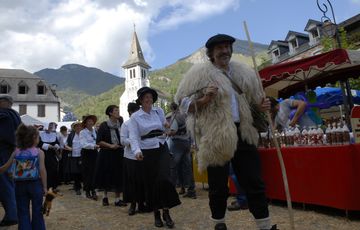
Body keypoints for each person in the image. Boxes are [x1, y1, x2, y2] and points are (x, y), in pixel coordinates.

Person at [175, 34, 277, 230]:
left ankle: (265, 226)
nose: (225, 51)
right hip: (215, 136)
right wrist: (204, 100)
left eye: (227, 47)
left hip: (244, 133)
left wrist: (262, 105)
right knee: (218, 187)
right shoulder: (199, 74)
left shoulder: (243, 73)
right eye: (220, 48)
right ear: (211, 53)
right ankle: (219, 224)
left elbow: (256, 101)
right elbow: (182, 103)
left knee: (254, 182)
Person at [129, 87, 181, 228]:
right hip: (147, 150)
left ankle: (166, 212)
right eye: (146, 97)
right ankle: (156, 213)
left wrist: (167, 128)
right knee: (152, 183)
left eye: (151, 97)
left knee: (164, 179)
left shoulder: (159, 111)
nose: (149, 99)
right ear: (140, 100)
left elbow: (165, 126)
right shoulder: (135, 117)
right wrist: (137, 151)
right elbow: (133, 136)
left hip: (161, 146)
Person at [4, 124, 47, 230]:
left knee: (23, 212)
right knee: (37, 211)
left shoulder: (16, 151)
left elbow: (6, 167)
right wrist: (45, 187)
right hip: (35, 184)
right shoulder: (39, 152)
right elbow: (42, 170)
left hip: (19, 185)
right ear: (33, 138)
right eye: (38, 136)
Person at [94, 105, 126, 207]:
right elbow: (99, 141)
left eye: (118, 110)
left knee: (118, 176)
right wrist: (110, 145)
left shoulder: (120, 124)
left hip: (118, 153)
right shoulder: (104, 125)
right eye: (116, 110)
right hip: (106, 154)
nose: (118, 112)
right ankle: (105, 197)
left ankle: (117, 199)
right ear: (110, 113)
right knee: (106, 175)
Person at [121, 102, 147, 215]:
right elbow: (123, 141)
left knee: (142, 180)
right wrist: (134, 141)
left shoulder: (143, 123)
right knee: (132, 181)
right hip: (130, 157)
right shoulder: (126, 125)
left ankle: (141, 204)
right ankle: (133, 204)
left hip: (142, 156)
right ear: (131, 113)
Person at [168, 102, 196, 199]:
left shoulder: (175, 117)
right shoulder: (186, 115)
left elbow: (173, 131)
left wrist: (167, 132)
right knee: (188, 167)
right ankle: (191, 190)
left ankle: (171, 191)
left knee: (173, 167)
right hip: (186, 142)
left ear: (172, 108)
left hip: (177, 143)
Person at [0, 95, 21, 226]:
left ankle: (12, 216)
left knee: (5, 185)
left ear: (5, 102)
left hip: (3, 153)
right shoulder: (15, 115)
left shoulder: (3, 114)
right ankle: (12, 213)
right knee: (10, 183)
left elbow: (4, 135)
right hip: (12, 151)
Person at [80, 115, 99, 200]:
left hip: (94, 153)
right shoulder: (83, 132)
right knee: (87, 172)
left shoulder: (94, 131)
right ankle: (88, 190)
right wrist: (93, 146)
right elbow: (83, 144)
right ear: (86, 123)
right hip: (87, 153)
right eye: (89, 121)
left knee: (94, 172)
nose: (91, 122)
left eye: (92, 121)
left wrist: (97, 146)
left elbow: (97, 140)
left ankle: (93, 190)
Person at [38, 122, 61, 191]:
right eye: (49, 125)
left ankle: (53, 186)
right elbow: (39, 144)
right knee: (45, 170)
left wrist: (56, 146)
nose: (50, 127)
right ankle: (46, 187)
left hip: (52, 154)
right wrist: (48, 146)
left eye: (51, 126)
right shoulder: (40, 134)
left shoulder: (54, 134)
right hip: (44, 154)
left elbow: (56, 143)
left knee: (54, 169)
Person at [65, 122, 83, 195]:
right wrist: (69, 148)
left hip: (82, 156)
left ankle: (81, 186)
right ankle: (77, 187)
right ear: (74, 128)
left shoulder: (83, 135)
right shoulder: (71, 135)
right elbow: (65, 145)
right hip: (74, 156)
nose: (78, 128)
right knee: (75, 172)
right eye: (76, 127)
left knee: (81, 171)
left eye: (79, 127)